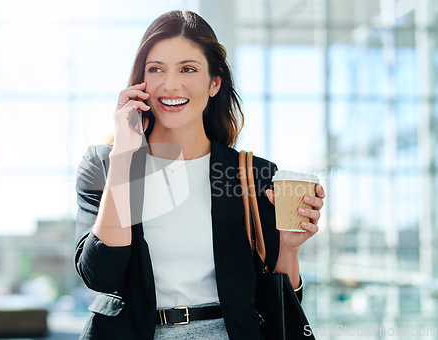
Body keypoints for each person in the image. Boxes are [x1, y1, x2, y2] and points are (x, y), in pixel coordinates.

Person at [74, 10, 325, 340]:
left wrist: (289, 249)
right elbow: (101, 276)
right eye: (156, 70)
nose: (170, 84)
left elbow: (280, 302)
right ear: (140, 82)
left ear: (214, 82)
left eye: (188, 69)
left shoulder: (253, 174)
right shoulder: (105, 165)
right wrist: (124, 155)